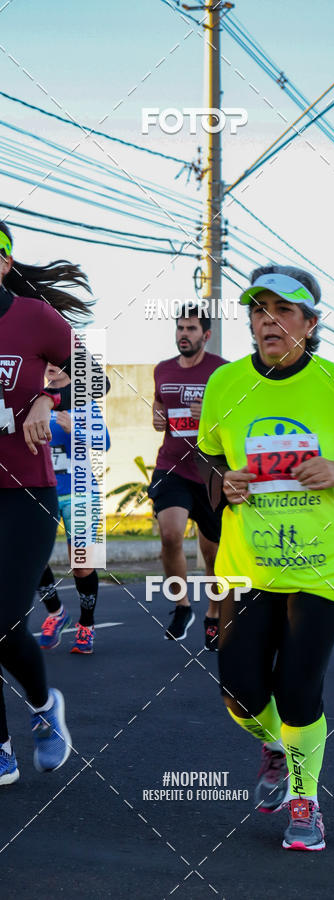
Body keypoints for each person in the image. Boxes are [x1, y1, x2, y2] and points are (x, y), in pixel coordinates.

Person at [196, 265, 334, 851]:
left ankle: (304, 800)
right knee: (240, 694)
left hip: (322, 561)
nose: (268, 321)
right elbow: (206, 458)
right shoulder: (225, 384)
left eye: (283, 311)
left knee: (297, 689)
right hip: (247, 562)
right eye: (259, 311)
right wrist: (225, 481)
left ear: (310, 324)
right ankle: (274, 744)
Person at [0, 221, 101, 783]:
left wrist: (46, 396)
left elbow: (97, 378)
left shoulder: (35, 319)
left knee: (2, 620)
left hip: (25, 494)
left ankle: (44, 709)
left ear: (6, 264)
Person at [149, 305, 227, 644]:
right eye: (180, 328)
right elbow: (159, 404)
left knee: (213, 554)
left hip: (211, 471)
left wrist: (211, 415)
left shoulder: (223, 372)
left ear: (205, 335)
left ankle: (213, 612)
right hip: (173, 466)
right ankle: (182, 605)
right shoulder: (162, 369)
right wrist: (156, 415)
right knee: (170, 535)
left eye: (191, 328)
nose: (184, 333)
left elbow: (237, 421)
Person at [37, 364, 111, 654]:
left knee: (80, 566)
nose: (51, 368)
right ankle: (56, 613)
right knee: (32, 558)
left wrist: (74, 428)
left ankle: (86, 625)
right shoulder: (35, 399)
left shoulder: (84, 401)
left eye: (58, 363)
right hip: (41, 491)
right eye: (48, 363)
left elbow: (104, 442)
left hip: (80, 492)